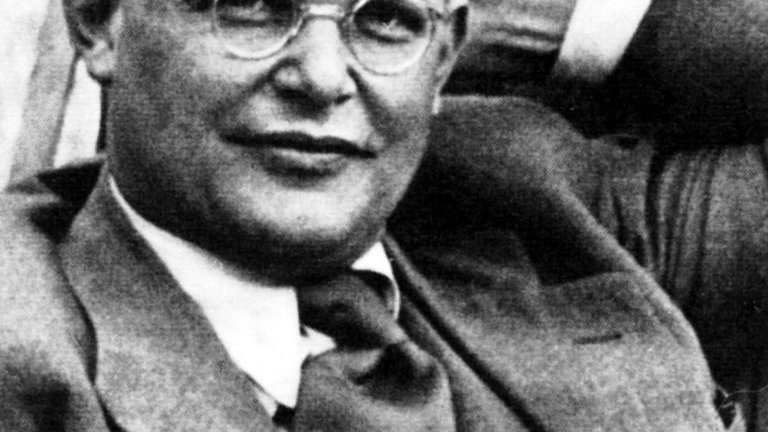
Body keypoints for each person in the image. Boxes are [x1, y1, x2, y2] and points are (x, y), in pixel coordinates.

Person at [0, 0, 736, 431]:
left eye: (384, 18)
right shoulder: (25, 358)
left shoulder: (537, 210)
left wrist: (568, 21)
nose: (323, 77)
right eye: (251, 6)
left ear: (444, 61)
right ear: (98, 23)